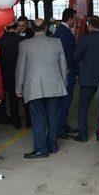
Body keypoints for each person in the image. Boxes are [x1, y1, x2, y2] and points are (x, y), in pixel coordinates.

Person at [15, 19, 67, 159]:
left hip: (34, 87)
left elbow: (21, 68)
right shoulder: (56, 42)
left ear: (32, 27)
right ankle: (53, 146)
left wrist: (18, 87)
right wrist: (63, 83)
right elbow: (63, 65)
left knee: (38, 118)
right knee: (53, 116)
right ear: (46, 28)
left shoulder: (24, 44)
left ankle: (41, 149)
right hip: (54, 85)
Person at [72, 16, 99, 142]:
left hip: (87, 78)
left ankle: (83, 134)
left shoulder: (84, 39)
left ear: (90, 25)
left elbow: (75, 56)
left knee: (83, 106)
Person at [53, 8, 78, 139]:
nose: (76, 21)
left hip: (66, 70)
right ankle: (61, 128)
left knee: (65, 101)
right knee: (65, 101)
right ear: (69, 19)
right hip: (66, 71)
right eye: (75, 18)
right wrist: (66, 67)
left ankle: (64, 125)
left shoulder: (63, 30)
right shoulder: (63, 32)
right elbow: (62, 52)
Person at [0, 23, 24, 128]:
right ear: (17, 28)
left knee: (1, 97)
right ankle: (15, 120)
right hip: (16, 74)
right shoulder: (21, 41)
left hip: (2, 74)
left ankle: (1, 117)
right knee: (14, 99)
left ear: (6, 28)